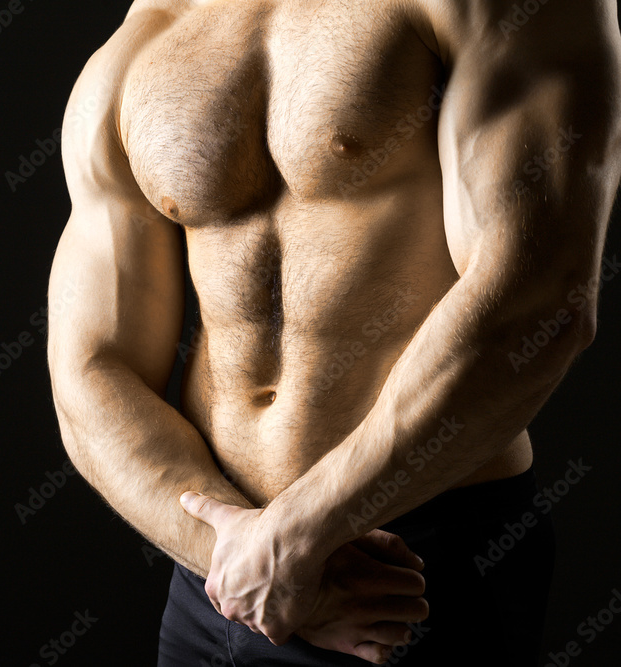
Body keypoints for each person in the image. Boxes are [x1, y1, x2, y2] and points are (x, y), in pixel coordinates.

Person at [46, 0, 621, 664]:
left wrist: (294, 540)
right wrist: (235, 554)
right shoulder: (156, 27)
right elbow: (93, 363)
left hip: (404, 572)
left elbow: (538, 292)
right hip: (218, 579)